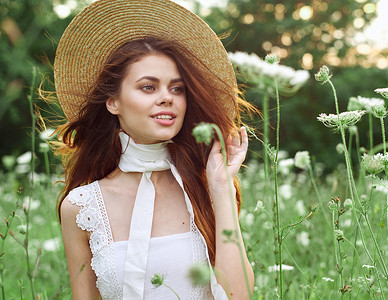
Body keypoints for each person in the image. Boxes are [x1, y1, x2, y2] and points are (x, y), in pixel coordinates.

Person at [53, 0, 255, 299]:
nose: (167, 98)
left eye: (177, 88)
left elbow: (239, 295)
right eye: (149, 87)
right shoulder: (81, 207)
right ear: (113, 102)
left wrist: (221, 186)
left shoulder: (207, 189)